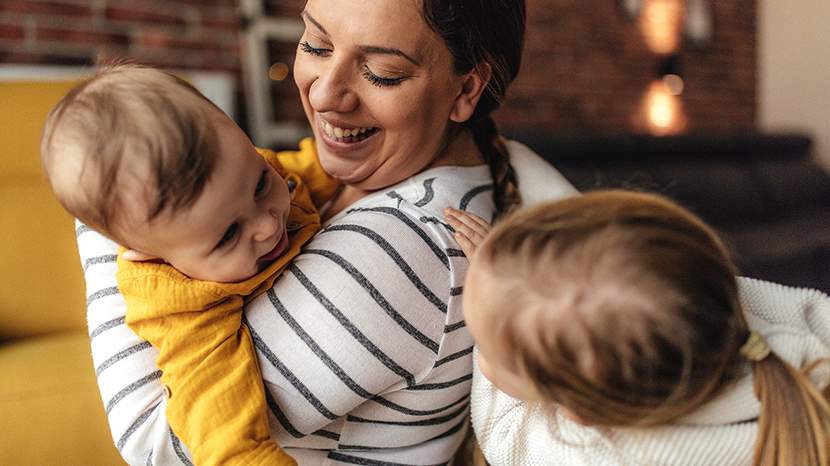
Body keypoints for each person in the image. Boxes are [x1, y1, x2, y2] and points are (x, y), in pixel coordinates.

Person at [73, 0, 578, 465]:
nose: (324, 92)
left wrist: (111, 221)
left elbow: (153, 441)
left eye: (382, 73)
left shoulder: (399, 248)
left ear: (466, 88)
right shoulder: (351, 179)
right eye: (315, 44)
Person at [41, 65, 342, 465]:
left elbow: (307, 169)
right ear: (155, 257)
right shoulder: (186, 308)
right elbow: (224, 433)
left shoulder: (240, 177)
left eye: (260, 184)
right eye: (228, 235)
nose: (268, 223)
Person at [444, 189, 830, 466]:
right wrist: (501, 283)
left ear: (581, 414)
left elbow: (503, 434)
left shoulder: (591, 454)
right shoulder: (718, 299)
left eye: (493, 353)